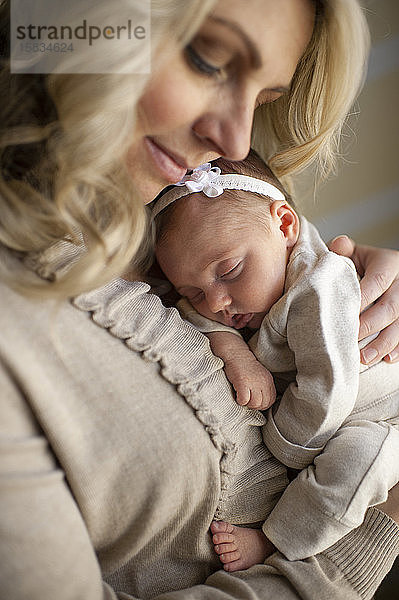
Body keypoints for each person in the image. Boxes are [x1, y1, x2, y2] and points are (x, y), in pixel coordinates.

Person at [1, 0, 399, 598]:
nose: (235, 136)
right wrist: (378, 526)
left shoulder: (167, 226)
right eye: (206, 60)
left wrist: (365, 298)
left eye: (263, 99)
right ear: (73, 21)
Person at [153, 150, 399, 571]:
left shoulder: (319, 285)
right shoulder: (238, 288)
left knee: (360, 457)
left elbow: (330, 386)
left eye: (228, 270)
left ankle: (276, 541)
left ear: (284, 225)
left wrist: (282, 447)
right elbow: (184, 309)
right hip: (343, 420)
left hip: (382, 418)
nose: (216, 302)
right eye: (196, 290)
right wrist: (231, 349)